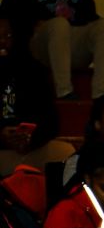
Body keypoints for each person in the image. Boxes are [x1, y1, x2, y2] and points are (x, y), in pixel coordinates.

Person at [0, 16, 74, 175]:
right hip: (2, 151)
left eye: (7, 36)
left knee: (66, 153)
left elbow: (51, 122)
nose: (3, 42)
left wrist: (30, 138)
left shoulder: (33, 70)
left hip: (31, 149)